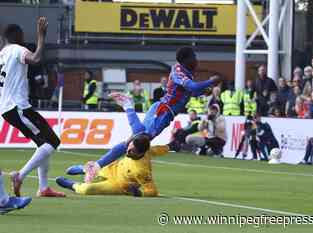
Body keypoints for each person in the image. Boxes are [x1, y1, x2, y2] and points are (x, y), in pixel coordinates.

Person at [68, 47, 221, 182]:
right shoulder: (179, 72)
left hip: (163, 111)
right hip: (163, 111)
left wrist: (202, 90)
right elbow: (192, 86)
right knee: (139, 137)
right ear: (187, 60)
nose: (197, 60)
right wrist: (210, 81)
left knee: (134, 141)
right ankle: (128, 105)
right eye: (194, 57)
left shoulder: (186, 73)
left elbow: (191, 90)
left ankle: (93, 167)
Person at [0, 18, 65, 197]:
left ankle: (43, 188)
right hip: (18, 107)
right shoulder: (17, 50)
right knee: (53, 142)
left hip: (9, 108)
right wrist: (41, 36)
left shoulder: (2, 55)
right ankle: (20, 176)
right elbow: (35, 58)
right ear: (18, 36)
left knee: (43, 144)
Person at [58, 136, 169, 197]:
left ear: (140, 153)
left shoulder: (141, 171)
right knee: (97, 167)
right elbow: (159, 149)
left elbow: (152, 190)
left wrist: (139, 193)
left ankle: (71, 185)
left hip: (118, 185)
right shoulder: (147, 149)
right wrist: (170, 146)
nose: (127, 151)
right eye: (129, 147)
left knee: (87, 189)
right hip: (114, 168)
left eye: (132, 150)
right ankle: (83, 169)